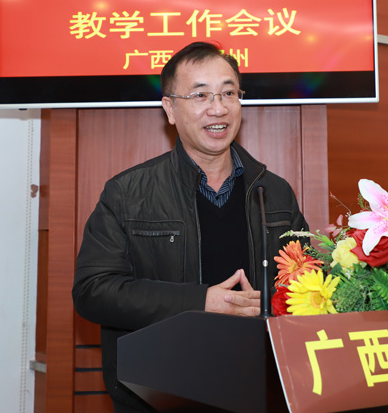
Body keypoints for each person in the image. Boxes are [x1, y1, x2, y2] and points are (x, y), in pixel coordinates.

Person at [72, 41, 309, 412]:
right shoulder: (128, 193)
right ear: (170, 109)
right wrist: (201, 302)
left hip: (258, 388)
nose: (218, 108)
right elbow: (93, 291)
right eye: (201, 95)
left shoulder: (274, 192)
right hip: (159, 394)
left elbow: (308, 281)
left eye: (229, 93)